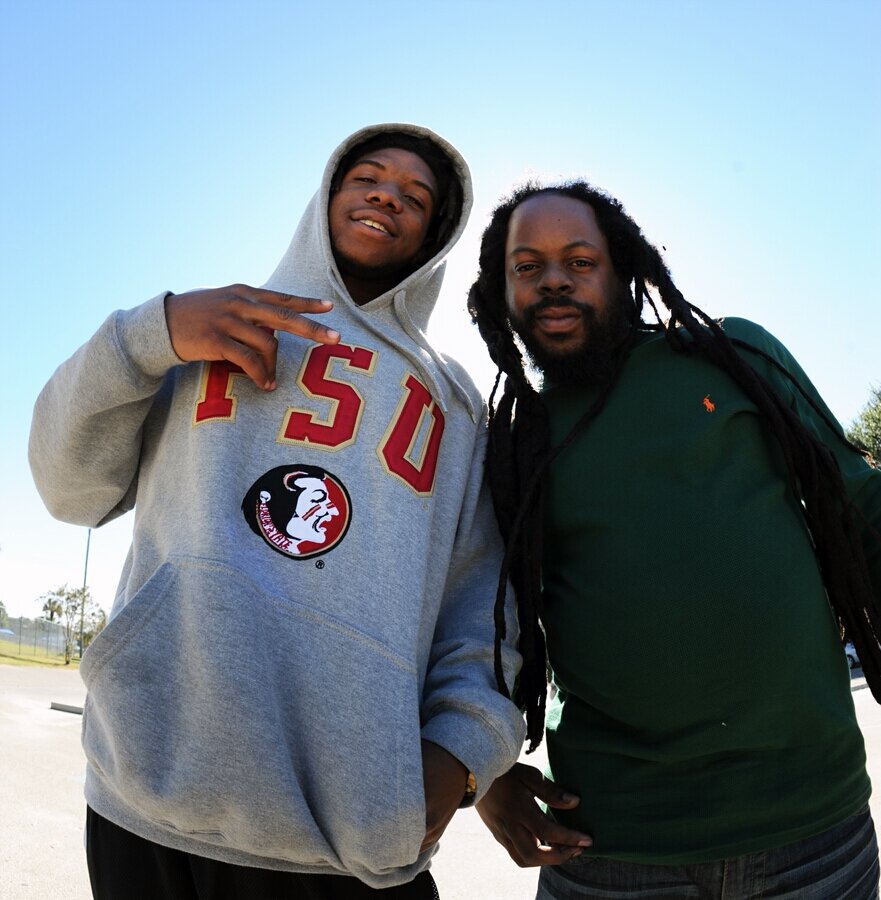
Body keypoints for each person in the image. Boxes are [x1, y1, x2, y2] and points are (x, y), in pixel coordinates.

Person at [29, 124, 525, 900]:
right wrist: (144, 336)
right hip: (149, 800)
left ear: (434, 233)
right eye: (367, 176)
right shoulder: (205, 326)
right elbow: (69, 491)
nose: (386, 194)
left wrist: (461, 748)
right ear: (327, 194)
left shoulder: (456, 405)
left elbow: (480, 604)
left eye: (415, 195)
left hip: (347, 832)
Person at [466, 181, 881, 899]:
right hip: (607, 848)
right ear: (499, 295)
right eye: (526, 267)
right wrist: (484, 772)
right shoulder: (509, 441)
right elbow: (476, 614)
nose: (554, 279)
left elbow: (859, 502)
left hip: (813, 834)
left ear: (623, 272)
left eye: (579, 260)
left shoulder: (728, 354)